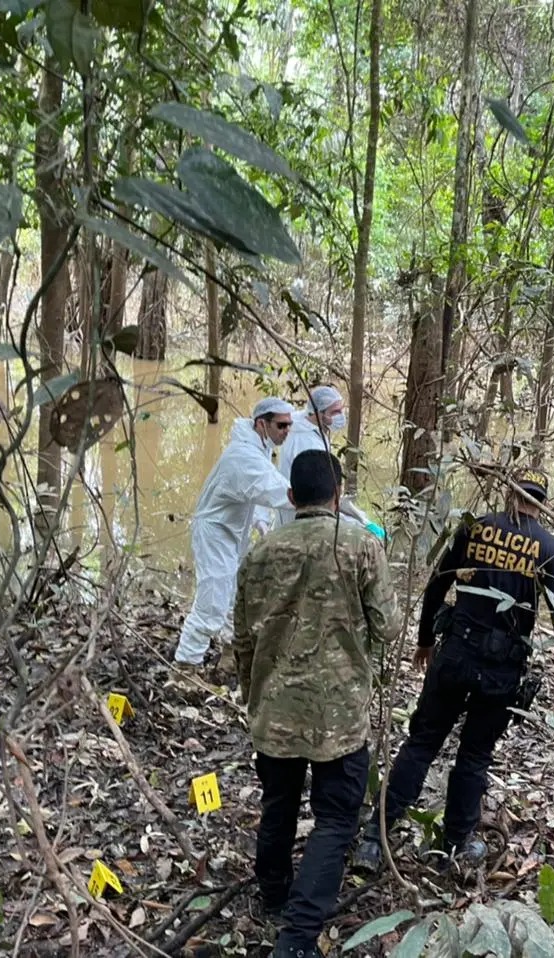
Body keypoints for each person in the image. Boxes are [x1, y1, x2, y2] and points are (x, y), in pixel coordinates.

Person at [355, 468, 554, 870]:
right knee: (474, 755)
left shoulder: (476, 529)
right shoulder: (551, 548)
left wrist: (424, 640)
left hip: (456, 653)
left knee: (422, 743)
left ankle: (375, 839)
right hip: (502, 669)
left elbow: (438, 582)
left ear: (509, 495)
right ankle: (456, 844)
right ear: (541, 504)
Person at [233, 450, 398, 958]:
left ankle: (274, 895)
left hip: (276, 711)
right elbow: (388, 627)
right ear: (338, 495)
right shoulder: (360, 546)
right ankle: (298, 934)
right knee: (335, 818)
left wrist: (253, 695)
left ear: (290, 498)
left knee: (279, 804)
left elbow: (242, 639)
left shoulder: (260, 553)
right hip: (340, 716)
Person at [173, 397, 296, 668]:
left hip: (232, 533)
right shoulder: (242, 455)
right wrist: (312, 496)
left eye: (290, 425)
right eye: (281, 425)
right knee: (212, 603)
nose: (287, 431)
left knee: (236, 597)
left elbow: (257, 490)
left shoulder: (259, 449)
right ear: (261, 424)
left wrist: (261, 522)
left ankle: (230, 654)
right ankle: (185, 666)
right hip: (215, 533)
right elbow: (271, 488)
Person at [268, 385, 347, 529]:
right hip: (301, 518)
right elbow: (321, 492)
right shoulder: (306, 443)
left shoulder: (304, 422)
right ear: (318, 413)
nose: (341, 415)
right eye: (335, 412)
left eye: (341, 410)